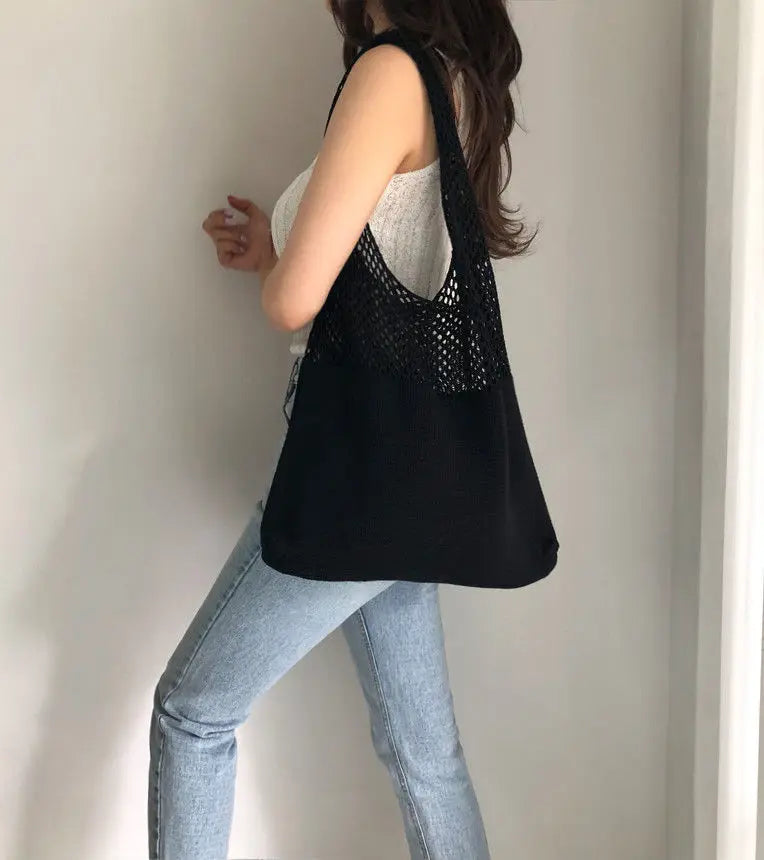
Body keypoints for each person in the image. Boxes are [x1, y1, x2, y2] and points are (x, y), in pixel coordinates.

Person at [150, 2, 539, 857]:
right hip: (414, 468)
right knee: (424, 757)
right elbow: (390, 246)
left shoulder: (390, 71)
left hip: (360, 471)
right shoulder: (457, 78)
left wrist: (280, 276)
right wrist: (276, 244)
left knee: (191, 714)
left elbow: (296, 301)